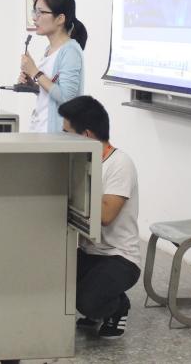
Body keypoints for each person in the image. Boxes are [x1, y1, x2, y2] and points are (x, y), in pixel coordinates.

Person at [59, 95, 141, 339]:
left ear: (85, 135)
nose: (61, 138)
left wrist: (74, 187)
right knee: (51, 278)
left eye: (66, 133)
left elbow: (105, 215)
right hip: (89, 252)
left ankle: (118, 306)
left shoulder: (120, 164)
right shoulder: (79, 161)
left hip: (119, 257)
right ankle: (99, 297)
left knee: (87, 301)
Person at [19, 0, 87, 133]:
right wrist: (33, 84)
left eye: (40, 12)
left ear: (60, 19)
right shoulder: (49, 49)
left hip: (57, 137)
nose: (35, 18)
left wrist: (35, 73)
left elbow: (67, 98)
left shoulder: (71, 51)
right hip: (40, 129)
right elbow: (51, 93)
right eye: (34, 12)